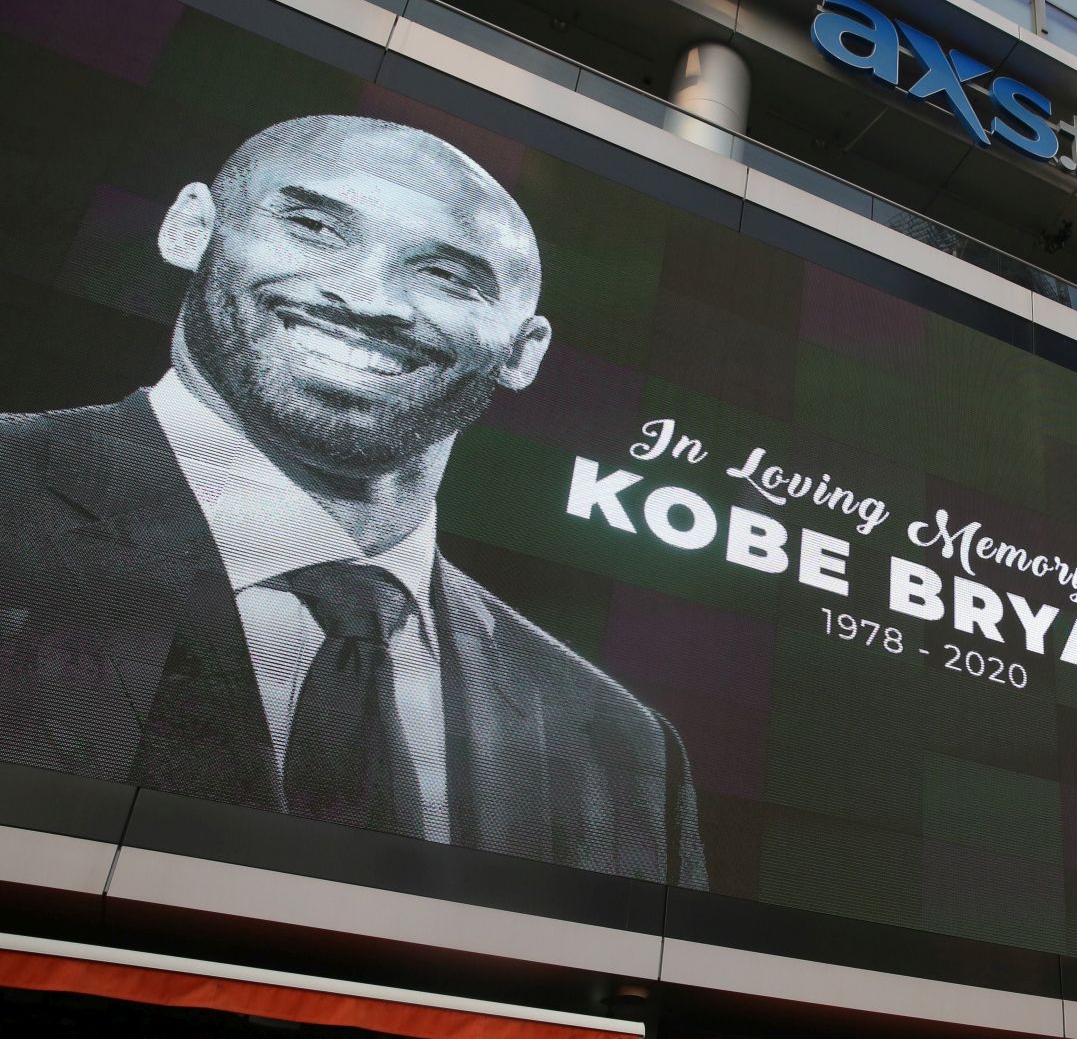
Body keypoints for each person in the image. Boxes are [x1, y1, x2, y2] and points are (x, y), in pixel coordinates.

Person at [0, 115, 705, 885]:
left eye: (447, 274)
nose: (368, 298)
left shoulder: (623, 748)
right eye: (313, 227)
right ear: (189, 228)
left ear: (522, 351)